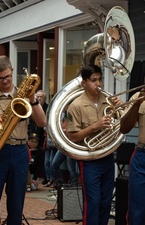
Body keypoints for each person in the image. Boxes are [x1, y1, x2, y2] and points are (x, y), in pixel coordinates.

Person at [0, 55, 46, 225]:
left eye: (8, 77)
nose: (5, 81)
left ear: (12, 71)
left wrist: (32, 99)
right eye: (0, 78)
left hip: (19, 151)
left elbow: (42, 122)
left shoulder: (24, 95)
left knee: (16, 206)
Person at [66, 65, 122, 225]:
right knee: (93, 202)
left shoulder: (108, 101)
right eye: (93, 80)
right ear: (84, 83)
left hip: (108, 157)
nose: (98, 84)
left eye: (100, 79)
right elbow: (73, 136)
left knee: (105, 202)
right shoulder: (76, 105)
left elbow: (123, 125)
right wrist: (95, 126)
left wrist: (121, 108)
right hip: (89, 160)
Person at [119, 87, 145, 225]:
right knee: (137, 209)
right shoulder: (138, 96)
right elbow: (124, 128)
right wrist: (136, 104)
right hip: (142, 157)